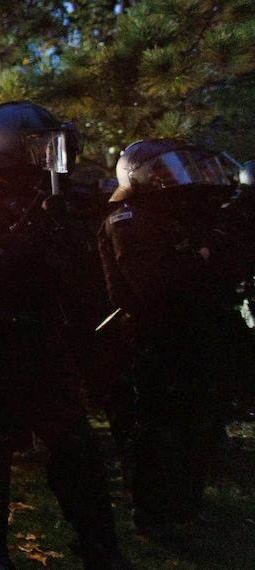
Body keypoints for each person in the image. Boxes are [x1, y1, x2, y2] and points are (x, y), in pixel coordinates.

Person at [0, 101, 129, 570]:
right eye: (39, 147)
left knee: (74, 444)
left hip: (50, 342)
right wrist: (18, 246)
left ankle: (99, 543)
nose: (50, 157)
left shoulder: (61, 199)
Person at [97, 139, 250, 541]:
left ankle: (186, 505)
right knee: (158, 426)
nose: (177, 179)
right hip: (156, 336)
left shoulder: (177, 215)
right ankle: (151, 513)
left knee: (198, 422)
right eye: (162, 171)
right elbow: (153, 284)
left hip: (196, 331)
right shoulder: (127, 218)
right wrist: (202, 254)